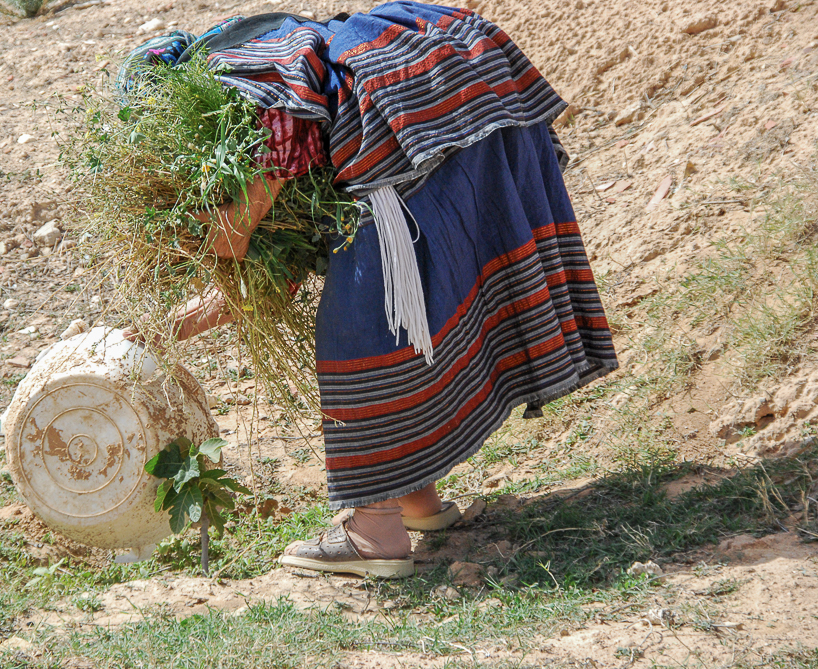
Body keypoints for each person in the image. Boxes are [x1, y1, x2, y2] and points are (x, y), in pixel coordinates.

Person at [122, 2, 618, 578]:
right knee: (407, 306)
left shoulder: (256, 94)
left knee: (358, 325)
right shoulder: (267, 74)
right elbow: (272, 279)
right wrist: (169, 329)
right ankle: (417, 499)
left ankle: (374, 531)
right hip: (473, 102)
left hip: (446, 119)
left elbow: (234, 238)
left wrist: (183, 229)